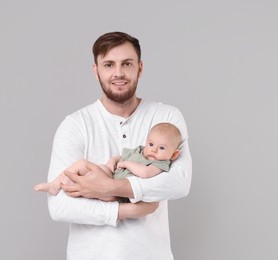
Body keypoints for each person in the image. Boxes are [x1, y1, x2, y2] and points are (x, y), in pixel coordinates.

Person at [45, 31, 192, 260]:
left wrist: (107, 188)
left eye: (127, 63)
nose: (118, 73)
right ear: (96, 71)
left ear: (140, 68)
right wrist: (127, 210)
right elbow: (60, 207)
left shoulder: (166, 117)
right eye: (108, 65)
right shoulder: (75, 125)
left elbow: (179, 183)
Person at [34, 122, 182, 200]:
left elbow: (145, 173)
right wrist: (113, 161)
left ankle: (78, 185)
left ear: (174, 154)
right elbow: (120, 156)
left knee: (94, 187)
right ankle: (55, 184)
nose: (154, 150)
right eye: (151, 144)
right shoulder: (140, 150)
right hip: (110, 175)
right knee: (82, 164)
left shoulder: (160, 164)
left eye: (161, 148)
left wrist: (125, 164)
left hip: (119, 193)